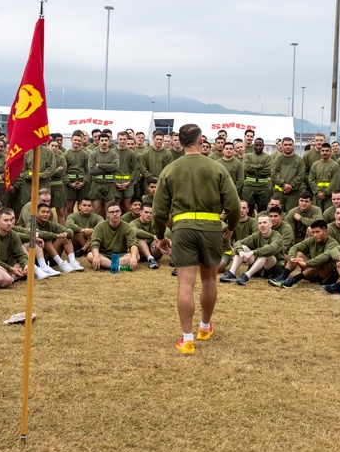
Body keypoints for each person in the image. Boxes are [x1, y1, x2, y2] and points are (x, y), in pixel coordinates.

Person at [153, 124, 240, 354]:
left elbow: (159, 211)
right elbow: (233, 205)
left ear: (179, 143)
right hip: (211, 228)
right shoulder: (217, 168)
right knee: (209, 279)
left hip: (182, 229)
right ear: (201, 141)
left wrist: (161, 236)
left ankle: (187, 339)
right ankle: (204, 327)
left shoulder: (170, 170)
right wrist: (230, 226)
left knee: (185, 283)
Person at [219, 212, 284, 285]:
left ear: (270, 224)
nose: (262, 225)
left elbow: (271, 248)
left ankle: (246, 276)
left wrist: (252, 252)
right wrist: (241, 252)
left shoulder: (277, 236)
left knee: (265, 253)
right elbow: (238, 243)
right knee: (243, 247)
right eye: (260, 223)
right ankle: (232, 273)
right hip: (260, 266)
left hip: (274, 269)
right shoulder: (257, 235)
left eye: (264, 222)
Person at [88, 201, 139, 270]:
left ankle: (108, 266)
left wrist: (133, 257)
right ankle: (119, 267)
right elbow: (94, 243)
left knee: (136, 256)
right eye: (112, 212)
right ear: (107, 214)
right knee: (90, 255)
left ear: (121, 212)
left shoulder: (127, 227)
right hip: (104, 254)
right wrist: (96, 256)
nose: (115, 214)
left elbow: (133, 243)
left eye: (117, 211)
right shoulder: (100, 226)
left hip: (121, 255)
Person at [242, 138, 273, 214]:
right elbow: (246, 168)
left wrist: (252, 170)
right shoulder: (247, 156)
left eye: (260, 145)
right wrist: (260, 166)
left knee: (263, 211)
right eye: (256, 145)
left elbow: (267, 171)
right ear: (253, 145)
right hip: (249, 186)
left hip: (263, 187)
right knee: (248, 211)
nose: (258, 147)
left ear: (263, 146)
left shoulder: (268, 157)